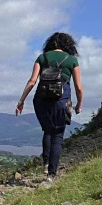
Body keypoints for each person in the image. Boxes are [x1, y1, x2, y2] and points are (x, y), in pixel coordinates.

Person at [15, 32, 83, 179]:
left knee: (47, 130)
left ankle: (45, 164)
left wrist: (21, 101)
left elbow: (32, 81)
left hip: (41, 98)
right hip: (62, 100)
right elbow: (78, 87)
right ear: (68, 44)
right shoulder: (72, 60)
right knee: (57, 136)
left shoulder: (42, 58)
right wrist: (79, 104)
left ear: (50, 43)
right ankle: (51, 175)